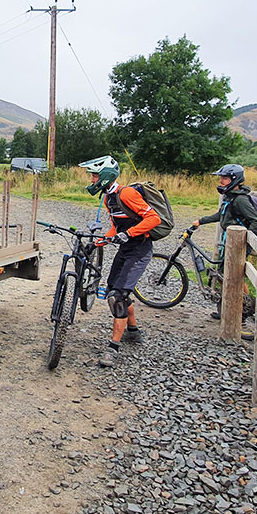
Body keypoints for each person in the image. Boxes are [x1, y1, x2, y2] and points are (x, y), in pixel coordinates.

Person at [80, 156, 161, 368]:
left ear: (106, 176)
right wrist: (97, 243)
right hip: (125, 249)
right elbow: (116, 227)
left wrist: (129, 234)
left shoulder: (127, 193)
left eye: (95, 176)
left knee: (117, 296)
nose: (92, 179)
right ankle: (132, 331)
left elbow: (154, 219)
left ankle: (113, 348)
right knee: (113, 290)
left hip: (139, 250)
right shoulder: (109, 198)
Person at [192, 164, 257, 328]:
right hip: (230, 242)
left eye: (225, 178)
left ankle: (242, 311)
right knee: (224, 274)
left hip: (237, 245)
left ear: (235, 180)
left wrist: (243, 239)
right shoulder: (231, 197)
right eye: (221, 178)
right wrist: (201, 221)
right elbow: (222, 215)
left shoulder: (240, 200)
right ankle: (226, 309)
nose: (221, 181)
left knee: (235, 277)